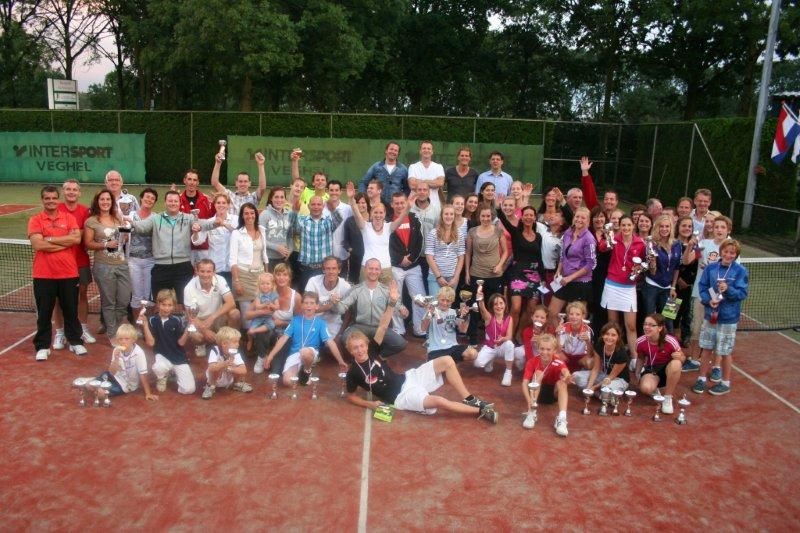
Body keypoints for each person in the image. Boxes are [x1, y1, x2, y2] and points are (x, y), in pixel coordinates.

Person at [345, 329, 498, 423]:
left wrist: (392, 301)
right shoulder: (353, 372)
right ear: (350, 351)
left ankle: (469, 399)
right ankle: (481, 411)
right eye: (355, 348)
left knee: (447, 360)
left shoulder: (372, 350)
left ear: (366, 345)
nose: (360, 350)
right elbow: (350, 396)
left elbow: (383, 326)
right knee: (439, 401)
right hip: (401, 397)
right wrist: (370, 404)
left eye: (361, 346)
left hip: (408, 378)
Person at [128, 190, 222, 306]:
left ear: (179, 203)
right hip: (161, 267)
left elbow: (203, 224)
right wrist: (131, 223)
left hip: (183, 267)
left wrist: (215, 223)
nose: (173, 203)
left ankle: (184, 318)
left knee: (185, 302)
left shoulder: (188, 218)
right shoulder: (156, 218)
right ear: (165, 202)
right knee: (160, 303)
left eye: (175, 201)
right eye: (170, 201)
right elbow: (142, 227)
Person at [29, 185, 86, 360]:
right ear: (42, 200)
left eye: (54, 198)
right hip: (43, 275)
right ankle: (42, 346)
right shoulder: (35, 220)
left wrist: (50, 239)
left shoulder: (68, 218)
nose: (51, 201)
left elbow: (76, 239)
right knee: (44, 313)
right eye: (47, 198)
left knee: (71, 310)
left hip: (69, 273)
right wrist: (64, 243)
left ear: (58, 199)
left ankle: (75, 341)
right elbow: (38, 244)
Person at [693, 239, 748, 396]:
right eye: (726, 251)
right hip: (711, 315)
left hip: (728, 318)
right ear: (721, 251)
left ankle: (725, 383)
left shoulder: (740, 271)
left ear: (736, 255)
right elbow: (703, 287)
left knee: (725, 351)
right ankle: (701, 379)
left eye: (732, 253)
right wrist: (707, 300)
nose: (728, 255)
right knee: (706, 348)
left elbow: (742, 293)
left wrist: (728, 289)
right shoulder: (711, 268)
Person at [263, 291, 348, 386]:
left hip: (310, 353)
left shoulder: (320, 323)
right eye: (306, 303)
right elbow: (283, 339)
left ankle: (307, 370)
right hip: (295, 353)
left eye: (312, 303)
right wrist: (270, 356)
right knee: (287, 382)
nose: (309, 306)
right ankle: (300, 371)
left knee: (305, 352)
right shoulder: (295, 320)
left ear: (317, 306)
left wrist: (340, 361)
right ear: (302, 305)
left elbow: (330, 342)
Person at [333, 260, 409, 359]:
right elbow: (341, 309)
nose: (373, 271)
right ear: (365, 270)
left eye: (376, 269)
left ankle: (378, 357)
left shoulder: (386, 291)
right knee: (346, 338)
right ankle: (361, 359)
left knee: (400, 344)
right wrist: (336, 303)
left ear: (380, 271)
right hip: (359, 326)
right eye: (370, 268)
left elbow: (400, 311)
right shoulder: (356, 289)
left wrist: (404, 312)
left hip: (380, 327)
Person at [83, 189, 133, 340]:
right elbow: (88, 244)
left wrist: (124, 237)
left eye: (108, 199)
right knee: (109, 302)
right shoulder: (91, 221)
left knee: (124, 300)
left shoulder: (117, 219)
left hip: (122, 264)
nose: (105, 202)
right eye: (102, 199)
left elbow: (122, 239)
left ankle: (114, 327)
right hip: (103, 266)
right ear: (97, 202)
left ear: (112, 202)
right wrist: (106, 244)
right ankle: (112, 334)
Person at [685, 215, 732, 373]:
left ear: (728, 230)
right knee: (696, 328)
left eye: (722, 227)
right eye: (716, 227)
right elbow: (688, 260)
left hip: (720, 298)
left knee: (717, 332)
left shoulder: (731, 249)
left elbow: (733, 273)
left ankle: (717, 366)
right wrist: (689, 247)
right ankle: (693, 360)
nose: (719, 230)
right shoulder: (704, 244)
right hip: (702, 293)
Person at [52, 179, 95, 348]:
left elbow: (85, 236)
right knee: (58, 299)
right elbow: (54, 234)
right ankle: (60, 332)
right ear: (63, 192)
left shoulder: (85, 211)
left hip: (80, 261)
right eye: (68, 189)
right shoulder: (56, 209)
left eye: (74, 189)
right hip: (60, 262)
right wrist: (73, 236)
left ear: (79, 193)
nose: (71, 192)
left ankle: (82, 329)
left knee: (82, 295)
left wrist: (68, 235)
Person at [599, 215, 646, 355]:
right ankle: (613, 355)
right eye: (623, 225)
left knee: (631, 326)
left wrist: (639, 270)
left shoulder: (640, 243)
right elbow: (601, 248)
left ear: (633, 226)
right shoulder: (614, 239)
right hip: (612, 285)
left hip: (629, 287)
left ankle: (634, 358)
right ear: (619, 226)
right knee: (613, 324)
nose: (626, 228)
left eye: (629, 225)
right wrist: (608, 239)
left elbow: (645, 263)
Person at [346, 181, 410, 283]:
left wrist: (408, 206)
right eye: (375, 212)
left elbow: (402, 217)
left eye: (381, 212)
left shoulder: (389, 227)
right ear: (371, 214)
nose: (378, 215)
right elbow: (357, 214)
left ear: (385, 214)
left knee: (387, 293)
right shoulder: (365, 226)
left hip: (385, 268)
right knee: (366, 293)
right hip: (367, 268)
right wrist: (352, 199)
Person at [497, 205, 544, 341]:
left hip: (534, 275)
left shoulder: (538, 237)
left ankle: (519, 333)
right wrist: (499, 208)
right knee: (516, 308)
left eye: (531, 215)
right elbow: (504, 220)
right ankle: (509, 336)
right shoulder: (516, 233)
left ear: (535, 218)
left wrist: (542, 278)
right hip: (517, 274)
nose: (528, 217)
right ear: (522, 218)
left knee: (531, 309)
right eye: (526, 215)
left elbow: (539, 257)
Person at [464, 205, 508, 343]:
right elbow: (468, 253)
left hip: (494, 275)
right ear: (479, 217)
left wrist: (499, 265)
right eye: (483, 216)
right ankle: (473, 335)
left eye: (488, 216)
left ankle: (494, 334)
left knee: (494, 305)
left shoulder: (498, 231)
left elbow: (506, 251)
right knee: (475, 305)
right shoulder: (472, 232)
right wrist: (467, 272)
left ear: (492, 216)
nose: (486, 218)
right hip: (477, 273)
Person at [85, 324, 158, 403]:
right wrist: (116, 359)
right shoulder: (116, 350)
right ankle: (94, 381)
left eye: (127, 339)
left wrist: (148, 393)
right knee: (88, 385)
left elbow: (143, 374)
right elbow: (112, 372)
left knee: (100, 394)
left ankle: (98, 384)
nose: (123, 342)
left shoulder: (139, 353)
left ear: (133, 340)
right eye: (120, 339)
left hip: (125, 385)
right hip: (115, 376)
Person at [183, 258, 240, 356]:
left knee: (235, 313)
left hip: (217, 317)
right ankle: (201, 344)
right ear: (197, 271)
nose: (205, 275)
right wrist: (205, 331)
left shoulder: (220, 279)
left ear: (214, 272)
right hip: (199, 320)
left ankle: (230, 342)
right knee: (196, 336)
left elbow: (231, 303)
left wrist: (212, 317)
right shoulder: (188, 288)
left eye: (209, 271)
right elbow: (190, 316)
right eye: (202, 271)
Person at [142, 289, 195, 395]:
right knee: (158, 367)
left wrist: (188, 329)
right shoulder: (151, 320)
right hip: (162, 356)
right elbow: (151, 343)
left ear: (173, 306)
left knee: (189, 389)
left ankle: (173, 372)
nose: (166, 308)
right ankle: (162, 376)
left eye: (169, 305)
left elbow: (181, 343)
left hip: (178, 357)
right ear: (158, 304)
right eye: (164, 305)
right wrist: (145, 325)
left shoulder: (177, 320)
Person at [251, 263, 301, 374]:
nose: (281, 278)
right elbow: (252, 314)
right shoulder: (266, 293)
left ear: (289, 277)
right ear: (274, 277)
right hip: (270, 329)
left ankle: (278, 358)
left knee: (276, 371)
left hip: (287, 332)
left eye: (285, 275)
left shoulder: (296, 297)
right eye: (278, 274)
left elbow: (299, 322)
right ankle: (261, 356)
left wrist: (282, 323)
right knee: (261, 328)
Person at [389, 192, 427, 337]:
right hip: (395, 266)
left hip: (413, 266)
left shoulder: (414, 218)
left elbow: (420, 241)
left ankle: (419, 329)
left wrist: (410, 258)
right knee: (395, 298)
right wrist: (399, 259)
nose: (399, 206)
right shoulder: (387, 220)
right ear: (392, 204)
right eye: (396, 203)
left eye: (402, 203)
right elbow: (387, 244)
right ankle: (399, 329)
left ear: (406, 203)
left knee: (419, 297)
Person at [633, 313, 685, 415]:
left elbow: (682, 357)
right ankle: (654, 389)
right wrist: (637, 373)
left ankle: (668, 398)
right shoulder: (640, 342)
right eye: (645, 324)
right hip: (652, 370)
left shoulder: (670, 340)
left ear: (660, 328)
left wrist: (680, 357)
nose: (646, 327)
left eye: (651, 325)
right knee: (646, 388)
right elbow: (640, 358)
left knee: (676, 364)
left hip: (667, 369)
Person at [289, 194, 344, 290]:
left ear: (323, 206)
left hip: (324, 269)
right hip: (306, 268)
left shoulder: (328, 221)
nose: (316, 207)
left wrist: (333, 210)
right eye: (313, 204)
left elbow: (339, 219)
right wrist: (295, 212)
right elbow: (293, 228)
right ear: (308, 206)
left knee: (323, 294)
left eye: (319, 204)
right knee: (306, 294)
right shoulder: (302, 220)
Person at [549, 206, 596, 316]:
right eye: (577, 216)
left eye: (583, 218)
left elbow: (591, 264)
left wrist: (570, 278)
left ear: (588, 221)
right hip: (564, 280)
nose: (579, 220)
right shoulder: (568, 233)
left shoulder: (589, 238)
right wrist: (558, 271)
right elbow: (562, 254)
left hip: (580, 283)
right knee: (551, 313)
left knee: (576, 317)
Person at [520, 334, 570, 436]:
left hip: (552, 395)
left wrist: (567, 376)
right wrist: (529, 401)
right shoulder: (532, 362)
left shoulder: (558, 361)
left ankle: (561, 419)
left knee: (562, 382)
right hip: (536, 395)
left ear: (554, 350)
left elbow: (565, 371)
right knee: (538, 373)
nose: (545, 352)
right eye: (542, 349)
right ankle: (532, 413)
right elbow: (524, 383)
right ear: (538, 348)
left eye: (548, 349)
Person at [474, 288, 523, 386]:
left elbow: (509, 336)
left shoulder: (509, 318)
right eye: (495, 304)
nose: (499, 306)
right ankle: (489, 360)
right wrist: (480, 300)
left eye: (501, 303)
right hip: (490, 347)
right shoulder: (489, 317)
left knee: (509, 344)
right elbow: (482, 309)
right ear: (492, 306)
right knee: (478, 363)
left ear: (505, 304)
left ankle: (508, 373)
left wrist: (503, 339)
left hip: (502, 346)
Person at [229, 203, 268, 325]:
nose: (249, 216)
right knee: (247, 318)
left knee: (262, 311)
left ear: (256, 214)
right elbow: (232, 259)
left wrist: (267, 275)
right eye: (246, 213)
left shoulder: (262, 230)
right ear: (242, 216)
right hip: (243, 276)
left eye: (252, 213)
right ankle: (247, 335)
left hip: (260, 276)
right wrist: (237, 282)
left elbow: (264, 255)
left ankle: (259, 335)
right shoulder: (237, 233)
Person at [643, 214, 682, 331]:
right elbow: (652, 271)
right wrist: (652, 263)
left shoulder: (677, 244)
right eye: (661, 226)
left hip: (669, 287)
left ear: (671, 228)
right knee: (650, 319)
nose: (664, 229)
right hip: (651, 285)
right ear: (657, 228)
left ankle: (671, 341)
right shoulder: (651, 244)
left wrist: (673, 287)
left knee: (670, 319)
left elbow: (677, 267)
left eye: (667, 226)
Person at [572, 321, 630, 394]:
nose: (609, 337)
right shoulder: (600, 345)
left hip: (618, 379)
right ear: (603, 335)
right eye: (607, 334)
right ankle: (597, 393)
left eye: (613, 335)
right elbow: (596, 369)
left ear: (618, 337)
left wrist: (594, 387)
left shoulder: (621, 354)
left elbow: (611, 376)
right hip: (603, 375)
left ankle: (601, 393)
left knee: (605, 388)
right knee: (576, 376)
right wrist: (589, 387)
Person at [192, 193, 237, 287]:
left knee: (231, 295)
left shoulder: (236, 219)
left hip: (232, 268)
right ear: (214, 205)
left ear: (228, 205)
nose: (221, 205)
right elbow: (198, 241)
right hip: (215, 268)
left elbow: (239, 235)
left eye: (224, 203)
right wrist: (195, 232)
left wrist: (224, 224)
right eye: (218, 203)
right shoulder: (209, 222)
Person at [421, 286, 476, 363]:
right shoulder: (432, 311)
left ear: (452, 301)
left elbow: (463, 330)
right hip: (436, 349)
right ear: (438, 298)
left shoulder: (454, 312)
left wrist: (464, 316)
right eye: (442, 300)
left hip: (452, 347)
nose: (445, 303)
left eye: (448, 301)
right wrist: (429, 314)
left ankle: (450, 362)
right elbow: (423, 328)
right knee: (447, 362)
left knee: (473, 353)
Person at [128, 188, 158, 320]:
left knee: (149, 295)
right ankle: (138, 324)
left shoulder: (156, 218)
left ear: (155, 202)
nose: (149, 200)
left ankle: (148, 323)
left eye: (152, 198)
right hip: (133, 260)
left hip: (151, 261)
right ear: (141, 198)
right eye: (147, 197)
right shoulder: (130, 215)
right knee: (136, 295)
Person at [305, 256, 351, 338]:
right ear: (323, 270)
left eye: (334, 268)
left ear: (339, 270)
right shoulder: (313, 281)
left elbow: (348, 313)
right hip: (313, 320)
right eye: (328, 268)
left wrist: (340, 334)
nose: (331, 272)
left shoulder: (345, 287)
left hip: (334, 324)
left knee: (332, 343)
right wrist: (330, 305)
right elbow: (307, 308)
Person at [425, 204, 466, 297]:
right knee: (435, 304)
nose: (449, 216)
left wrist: (456, 277)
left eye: (451, 214)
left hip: (452, 278)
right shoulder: (433, 233)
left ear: (454, 216)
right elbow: (429, 257)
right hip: (435, 277)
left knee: (448, 303)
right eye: (446, 214)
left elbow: (461, 257)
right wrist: (439, 277)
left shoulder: (459, 234)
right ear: (442, 216)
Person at [202, 326, 253, 399]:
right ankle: (210, 386)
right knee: (216, 367)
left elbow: (244, 370)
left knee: (236, 366)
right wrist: (223, 365)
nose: (238, 344)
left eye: (238, 342)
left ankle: (237, 384)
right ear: (224, 343)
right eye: (235, 342)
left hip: (229, 378)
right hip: (215, 379)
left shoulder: (236, 353)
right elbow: (211, 368)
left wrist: (229, 368)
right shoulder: (215, 350)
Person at [178, 168, 214, 264]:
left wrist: (214, 204)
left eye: (194, 180)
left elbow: (212, 219)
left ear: (198, 182)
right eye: (189, 179)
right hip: (184, 247)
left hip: (203, 246)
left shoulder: (206, 200)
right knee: (186, 272)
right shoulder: (178, 200)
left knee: (203, 271)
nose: (192, 182)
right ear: (184, 180)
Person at [360, 141, 409, 206]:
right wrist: (364, 198)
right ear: (386, 151)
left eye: (396, 150)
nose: (393, 152)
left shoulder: (403, 169)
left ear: (398, 153)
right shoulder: (376, 166)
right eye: (391, 149)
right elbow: (363, 182)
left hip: (395, 206)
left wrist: (402, 200)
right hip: (378, 205)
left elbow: (407, 188)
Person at [259, 186, 293, 272]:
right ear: (271, 198)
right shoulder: (265, 214)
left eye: (282, 197)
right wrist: (276, 247)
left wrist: (290, 249)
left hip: (284, 259)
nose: (279, 200)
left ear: (285, 199)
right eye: (276, 197)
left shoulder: (289, 214)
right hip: (268, 259)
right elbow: (260, 238)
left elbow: (290, 236)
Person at [556, 301, 593, 372]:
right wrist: (557, 335)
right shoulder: (564, 327)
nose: (574, 317)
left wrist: (587, 341)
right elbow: (559, 350)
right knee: (556, 356)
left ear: (583, 316)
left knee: (590, 362)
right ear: (568, 315)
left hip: (580, 358)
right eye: (571, 314)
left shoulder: (587, 329)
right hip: (566, 357)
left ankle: (583, 374)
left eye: (577, 314)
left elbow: (590, 354)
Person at [408, 140, 445, 208]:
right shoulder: (413, 167)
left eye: (429, 148)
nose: (426, 150)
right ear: (420, 151)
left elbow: (440, 183)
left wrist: (419, 181)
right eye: (424, 148)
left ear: (432, 151)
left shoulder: (439, 167)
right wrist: (433, 182)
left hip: (434, 206)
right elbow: (412, 185)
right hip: (415, 206)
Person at [325, 180, 353, 269]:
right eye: (331, 190)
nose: (334, 193)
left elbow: (352, 229)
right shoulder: (322, 207)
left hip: (342, 253)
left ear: (341, 192)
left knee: (342, 276)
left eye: (336, 190)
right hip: (325, 253)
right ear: (327, 191)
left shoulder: (348, 209)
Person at [342, 193, 369, 283]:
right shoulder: (349, 221)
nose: (361, 205)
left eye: (363, 202)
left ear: (367, 204)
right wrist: (351, 250)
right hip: (355, 260)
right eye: (358, 203)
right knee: (355, 283)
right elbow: (345, 241)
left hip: (370, 259)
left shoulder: (373, 219)